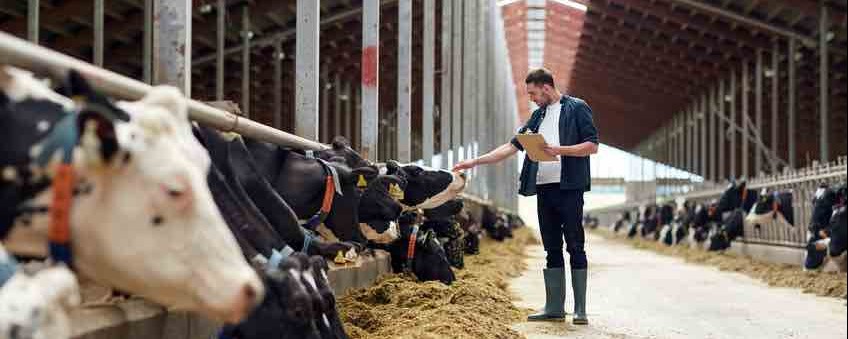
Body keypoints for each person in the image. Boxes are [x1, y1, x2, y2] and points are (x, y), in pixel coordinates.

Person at [453, 68, 598, 325]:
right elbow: (510, 147)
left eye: (532, 92)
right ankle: (554, 307)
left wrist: (559, 150)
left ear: (545, 87)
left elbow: (592, 145)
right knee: (551, 247)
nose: (530, 97)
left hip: (570, 187)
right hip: (544, 188)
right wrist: (474, 161)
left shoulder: (577, 108)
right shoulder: (537, 116)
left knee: (575, 244)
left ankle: (580, 310)